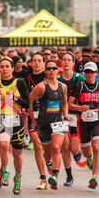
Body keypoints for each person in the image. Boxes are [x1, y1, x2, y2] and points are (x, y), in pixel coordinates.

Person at [0, 56, 30, 194]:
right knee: (3, 144)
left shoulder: (19, 83)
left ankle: (18, 177)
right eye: (2, 66)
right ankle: (5, 169)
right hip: (1, 121)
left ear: (11, 68)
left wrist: (14, 98)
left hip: (16, 121)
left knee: (17, 154)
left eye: (7, 66)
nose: (4, 69)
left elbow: (27, 104)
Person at [29, 60, 69, 190]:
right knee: (47, 152)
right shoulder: (41, 86)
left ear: (58, 70)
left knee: (57, 148)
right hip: (43, 123)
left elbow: (64, 103)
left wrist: (66, 117)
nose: (52, 71)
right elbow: (29, 102)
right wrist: (33, 121)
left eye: (54, 68)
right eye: (49, 69)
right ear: (45, 71)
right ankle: (48, 164)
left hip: (58, 121)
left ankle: (55, 177)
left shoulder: (63, 86)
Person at [69, 62, 99, 189]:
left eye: (92, 72)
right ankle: (89, 158)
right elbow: (70, 104)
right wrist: (80, 107)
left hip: (98, 121)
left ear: (96, 73)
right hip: (83, 122)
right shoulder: (80, 86)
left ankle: (94, 177)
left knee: (97, 147)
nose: (89, 74)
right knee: (86, 152)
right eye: (87, 72)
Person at [57, 51, 86, 186]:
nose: (67, 62)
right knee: (65, 146)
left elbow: (89, 91)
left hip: (76, 114)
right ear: (61, 63)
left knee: (74, 149)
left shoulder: (80, 78)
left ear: (74, 63)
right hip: (61, 115)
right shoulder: (57, 78)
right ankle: (69, 176)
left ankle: (79, 154)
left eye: (69, 60)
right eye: (64, 60)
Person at [24, 52, 48, 186]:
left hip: (49, 117)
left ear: (43, 63)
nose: (37, 63)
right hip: (33, 117)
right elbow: (25, 100)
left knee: (48, 148)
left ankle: (49, 162)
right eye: (34, 60)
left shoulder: (49, 77)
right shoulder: (26, 80)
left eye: (39, 60)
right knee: (38, 146)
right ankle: (43, 178)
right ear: (31, 63)